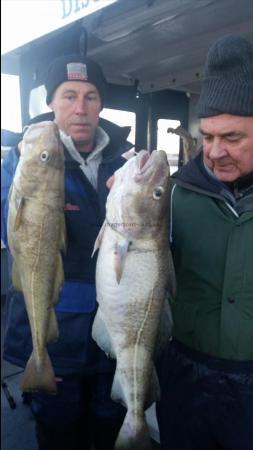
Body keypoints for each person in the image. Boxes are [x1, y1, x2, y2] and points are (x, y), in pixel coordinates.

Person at [1, 54, 132, 450]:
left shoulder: (125, 161)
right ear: (52, 102)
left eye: (91, 97)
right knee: (58, 433)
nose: (80, 108)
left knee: (108, 428)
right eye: (69, 95)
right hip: (56, 339)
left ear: (102, 104)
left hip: (112, 331)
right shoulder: (20, 161)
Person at [156, 35, 253, 450]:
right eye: (207, 136)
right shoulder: (171, 194)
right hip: (184, 375)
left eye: (232, 137)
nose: (214, 152)